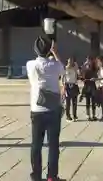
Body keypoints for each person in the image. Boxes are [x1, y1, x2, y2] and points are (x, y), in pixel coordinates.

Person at [26, 36, 64, 181]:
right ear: (49, 50)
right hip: (53, 109)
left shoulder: (30, 64)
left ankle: (36, 175)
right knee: (53, 145)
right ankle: (51, 176)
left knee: (36, 144)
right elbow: (64, 71)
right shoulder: (54, 65)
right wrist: (55, 52)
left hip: (37, 109)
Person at [81, 56, 98, 121]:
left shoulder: (94, 68)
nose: (88, 62)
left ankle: (94, 115)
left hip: (92, 85)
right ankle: (88, 115)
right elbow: (81, 75)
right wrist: (84, 65)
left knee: (93, 101)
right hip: (87, 85)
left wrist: (94, 79)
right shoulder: (84, 68)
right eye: (87, 60)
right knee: (87, 101)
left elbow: (96, 76)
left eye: (89, 60)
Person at [62, 57, 79, 122]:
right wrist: (63, 87)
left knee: (74, 102)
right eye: (69, 62)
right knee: (68, 102)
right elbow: (62, 78)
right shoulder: (65, 69)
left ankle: (75, 115)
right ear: (67, 62)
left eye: (71, 62)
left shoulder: (75, 68)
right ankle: (68, 116)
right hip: (67, 85)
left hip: (74, 85)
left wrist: (76, 66)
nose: (70, 63)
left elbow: (78, 74)